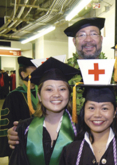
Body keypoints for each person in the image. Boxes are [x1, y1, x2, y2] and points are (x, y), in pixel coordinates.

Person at [7, 17, 106, 149]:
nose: (88, 39)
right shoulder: (59, 75)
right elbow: (42, 113)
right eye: (81, 35)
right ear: (74, 41)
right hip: (67, 147)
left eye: (93, 33)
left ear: (101, 38)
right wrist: (21, 131)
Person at [8, 57, 80, 165]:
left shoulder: (80, 128)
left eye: (62, 89)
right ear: (39, 96)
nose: (56, 94)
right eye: (49, 89)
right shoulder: (24, 128)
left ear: (69, 95)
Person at [59, 86, 117, 165]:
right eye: (91, 108)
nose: (97, 115)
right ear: (84, 110)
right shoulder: (71, 152)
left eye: (104, 108)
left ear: (115, 111)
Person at [0, 56, 37, 157]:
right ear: (23, 74)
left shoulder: (42, 92)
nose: (37, 74)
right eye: (33, 72)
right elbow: (7, 125)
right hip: (21, 147)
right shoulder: (13, 96)